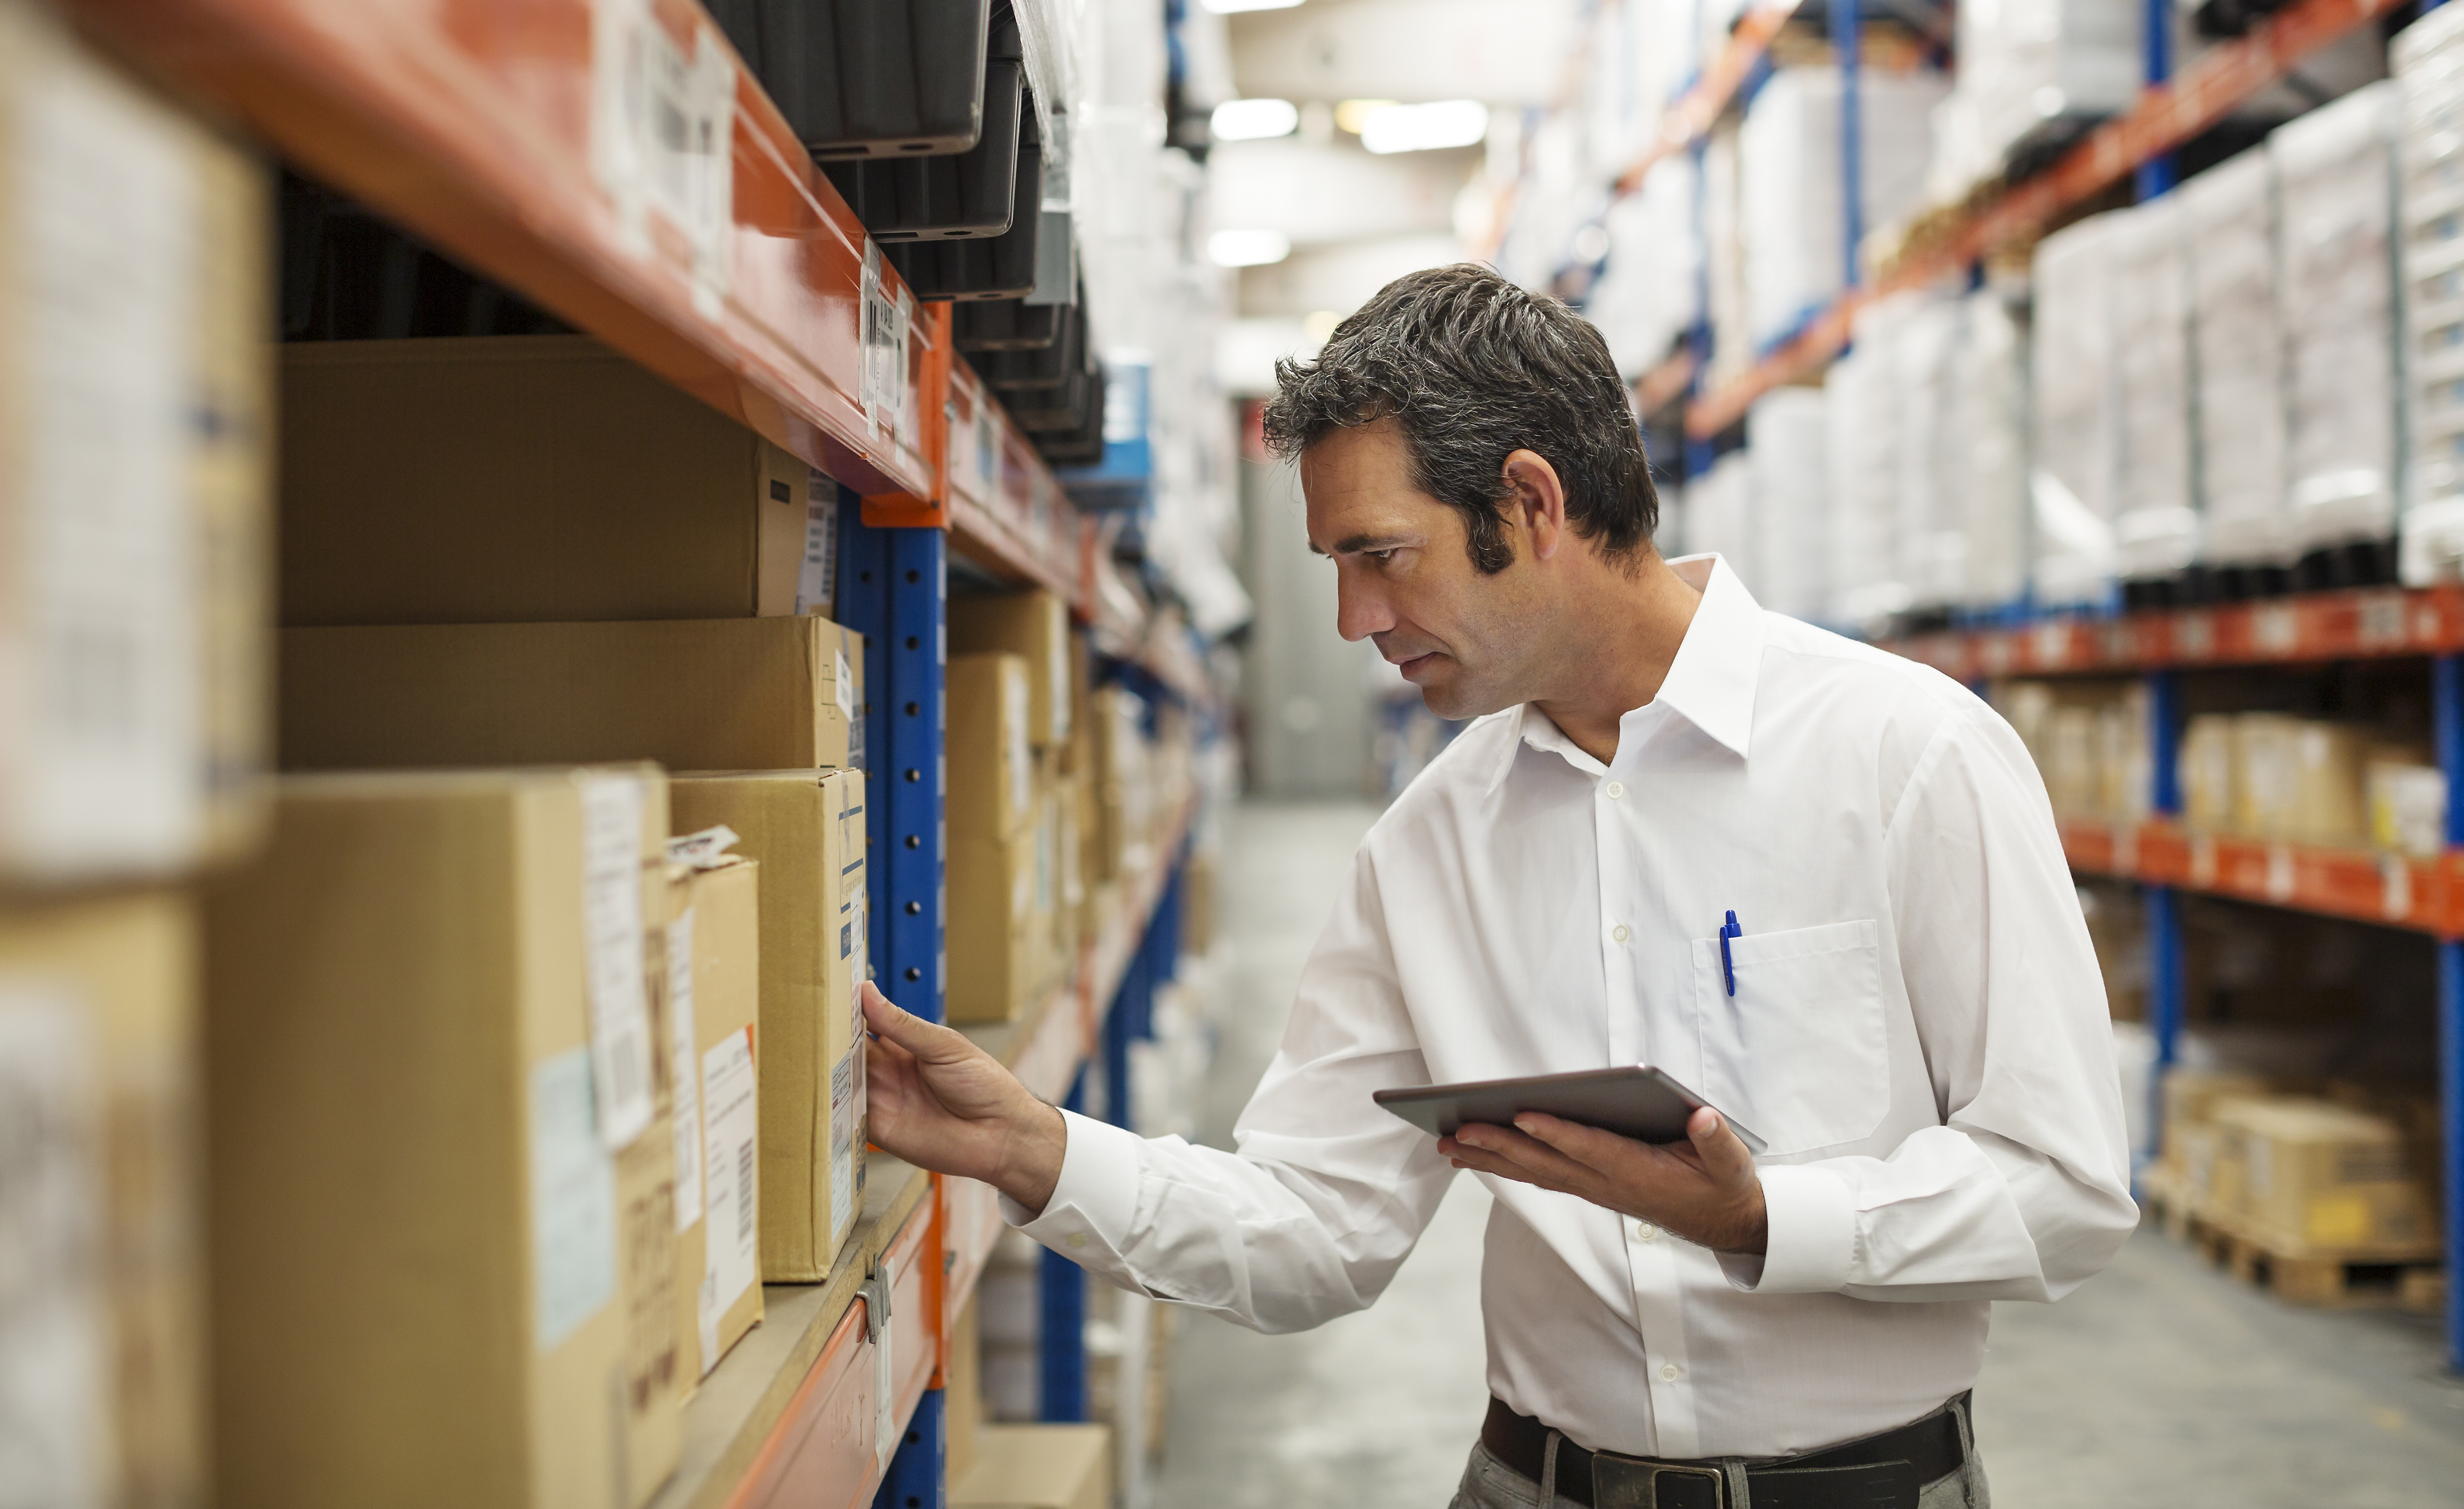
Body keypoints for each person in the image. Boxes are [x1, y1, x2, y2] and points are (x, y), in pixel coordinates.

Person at [863, 262, 2138, 1509]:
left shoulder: (1908, 756)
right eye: (1335, 569)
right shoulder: (1429, 844)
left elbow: (2063, 1187)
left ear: (1530, 502)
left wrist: (1764, 1219)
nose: (1358, 617)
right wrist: (1035, 1151)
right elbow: (1315, 1227)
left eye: (1382, 555)